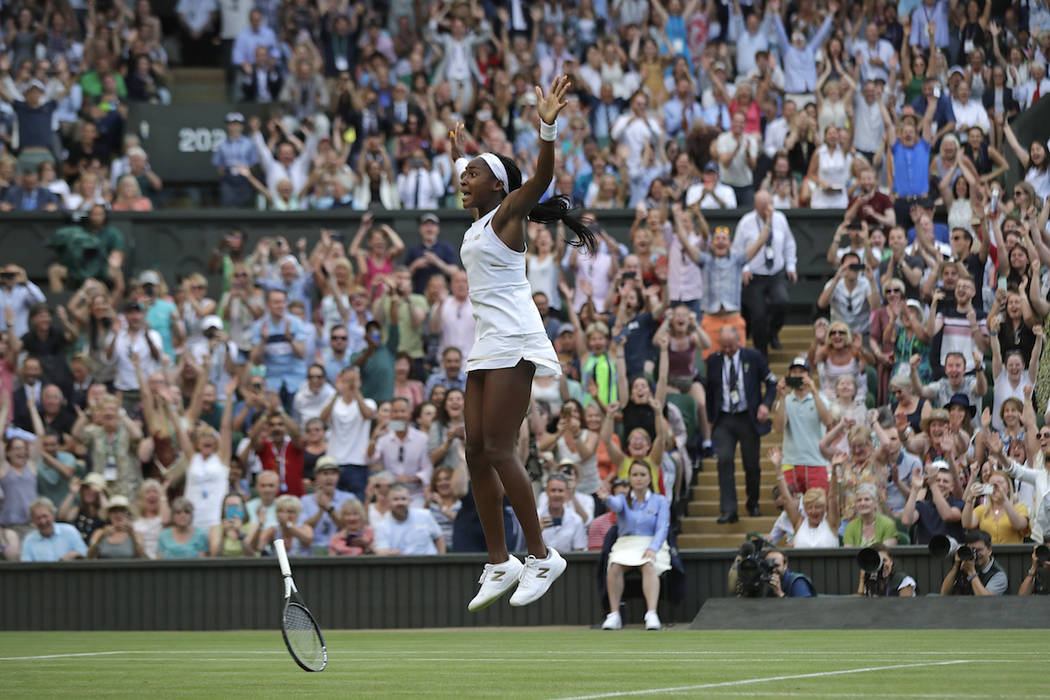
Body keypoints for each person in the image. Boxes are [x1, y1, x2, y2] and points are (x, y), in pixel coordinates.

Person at [449, 77, 599, 612]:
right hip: (487, 342)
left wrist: (547, 124)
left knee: (497, 448)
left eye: (472, 174)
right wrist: (458, 150)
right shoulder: (479, 219)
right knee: (472, 450)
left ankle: (541, 555)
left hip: (515, 337)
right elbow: (472, 177)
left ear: (499, 188)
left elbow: (540, 175)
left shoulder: (510, 215)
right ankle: (500, 562)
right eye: (462, 174)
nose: (462, 179)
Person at [705, 325, 776, 522]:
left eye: (731, 346)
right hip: (724, 418)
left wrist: (765, 405)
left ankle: (753, 503)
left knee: (752, 464)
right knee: (724, 460)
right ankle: (729, 509)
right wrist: (711, 419)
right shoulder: (713, 361)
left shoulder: (753, 357)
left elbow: (771, 382)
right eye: (723, 346)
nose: (727, 350)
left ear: (739, 341)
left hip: (748, 417)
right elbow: (709, 391)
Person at [596, 460, 671, 631]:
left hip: (651, 542)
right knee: (614, 567)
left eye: (642, 475)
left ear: (650, 478)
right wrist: (607, 498)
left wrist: (653, 547)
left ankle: (652, 613)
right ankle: (614, 615)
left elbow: (662, 527)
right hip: (626, 543)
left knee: (649, 565)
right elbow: (614, 504)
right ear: (629, 478)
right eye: (635, 475)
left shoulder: (660, 501)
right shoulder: (622, 499)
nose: (638, 479)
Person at [732, 191, 797, 355]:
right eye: (762, 207)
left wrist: (791, 266)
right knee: (758, 315)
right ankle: (761, 353)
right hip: (754, 275)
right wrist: (744, 269)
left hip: (776, 273)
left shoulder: (780, 218)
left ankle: (773, 332)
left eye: (768, 206)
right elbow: (737, 249)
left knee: (783, 302)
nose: (766, 211)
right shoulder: (746, 222)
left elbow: (789, 243)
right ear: (755, 206)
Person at [321, 366, 375, 500]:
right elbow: (322, 418)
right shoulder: (334, 402)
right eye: (346, 381)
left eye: (354, 380)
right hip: (334, 461)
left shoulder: (368, 402)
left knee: (357, 503)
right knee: (332, 501)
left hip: (357, 463)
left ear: (360, 382)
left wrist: (356, 392)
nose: (350, 384)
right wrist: (336, 394)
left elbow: (368, 414)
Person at [770, 446, 840, 548]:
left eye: (818, 507)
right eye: (809, 507)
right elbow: (786, 498)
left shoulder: (831, 522)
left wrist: (834, 470)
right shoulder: (799, 523)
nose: (813, 511)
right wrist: (778, 469)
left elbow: (833, 497)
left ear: (825, 508)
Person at [299, 456, 357, 552]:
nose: (329, 478)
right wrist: (320, 511)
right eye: (325, 473)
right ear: (316, 476)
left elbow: (350, 527)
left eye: (333, 474)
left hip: (341, 551)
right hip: (312, 551)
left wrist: (329, 508)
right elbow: (303, 530)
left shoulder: (349, 498)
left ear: (338, 476)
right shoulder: (305, 500)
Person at [373, 483, 445, 555]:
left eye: (403, 499)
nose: (400, 503)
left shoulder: (425, 515)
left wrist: (442, 561)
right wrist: (390, 553)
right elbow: (381, 551)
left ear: (410, 500)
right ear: (388, 502)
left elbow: (439, 538)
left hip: (428, 562)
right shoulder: (381, 526)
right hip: (401, 564)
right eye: (395, 499)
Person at [939, 529, 1008, 596]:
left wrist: (971, 572)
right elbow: (944, 594)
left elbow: (985, 601)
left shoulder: (998, 575)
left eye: (979, 550)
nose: (975, 554)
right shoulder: (965, 563)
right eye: (971, 550)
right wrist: (956, 566)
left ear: (989, 550)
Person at [20, 496, 87, 562]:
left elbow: (85, 554)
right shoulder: (29, 540)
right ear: (33, 520)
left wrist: (73, 555)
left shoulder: (69, 531)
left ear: (53, 515)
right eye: (38, 518)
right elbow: (26, 566)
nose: (43, 522)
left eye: (45, 516)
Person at [537, 473, 587, 553]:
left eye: (560, 491)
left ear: (567, 493)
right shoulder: (536, 516)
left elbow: (579, 550)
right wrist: (537, 532)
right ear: (546, 492)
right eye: (553, 490)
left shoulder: (576, 520)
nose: (557, 495)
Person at [86, 495, 147, 559]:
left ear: (128, 514)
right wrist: (101, 538)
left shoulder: (136, 534)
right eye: (114, 510)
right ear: (109, 515)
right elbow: (89, 557)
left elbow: (142, 557)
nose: (118, 514)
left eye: (122, 510)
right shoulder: (99, 533)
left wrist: (132, 535)